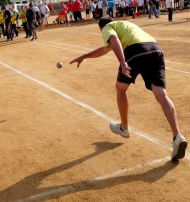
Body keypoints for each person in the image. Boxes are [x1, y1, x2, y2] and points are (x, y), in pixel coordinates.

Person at [70, 16, 187, 162]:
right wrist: (85, 56)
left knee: (121, 89)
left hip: (135, 51)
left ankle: (124, 128)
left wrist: (123, 62)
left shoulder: (107, 27)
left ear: (101, 27)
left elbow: (113, 40)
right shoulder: (125, 25)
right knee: (161, 94)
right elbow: (105, 49)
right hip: (155, 49)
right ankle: (177, 136)